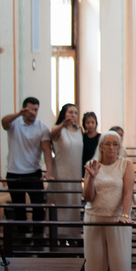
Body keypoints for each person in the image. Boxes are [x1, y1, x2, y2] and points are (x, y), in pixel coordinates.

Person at [81, 131, 135, 271]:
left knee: (120, 262)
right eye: (107, 144)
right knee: (95, 263)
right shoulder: (91, 165)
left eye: (115, 144)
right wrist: (92, 177)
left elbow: (128, 193)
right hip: (94, 217)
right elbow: (87, 197)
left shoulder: (125, 164)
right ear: (101, 146)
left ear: (119, 147)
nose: (111, 147)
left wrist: (125, 215)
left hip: (117, 220)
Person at [0, 97, 54, 241]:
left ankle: (37, 237)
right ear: (24, 109)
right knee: (19, 208)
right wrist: (18, 114)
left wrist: (49, 171)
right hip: (14, 172)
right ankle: (22, 238)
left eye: (35, 110)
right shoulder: (15, 124)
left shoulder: (42, 128)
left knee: (38, 207)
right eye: (30, 110)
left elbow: (46, 150)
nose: (33, 113)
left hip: (33, 172)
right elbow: (4, 122)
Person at [49, 103, 84, 242]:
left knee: (74, 203)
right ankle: (58, 235)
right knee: (62, 203)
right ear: (64, 113)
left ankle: (73, 234)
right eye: (70, 112)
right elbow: (52, 134)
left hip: (75, 172)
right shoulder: (58, 129)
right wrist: (63, 124)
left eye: (75, 112)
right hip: (62, 171)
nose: (73, 115)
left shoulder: (79, 130)